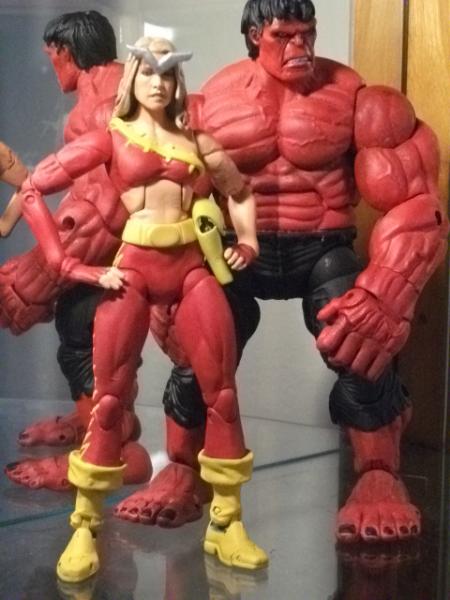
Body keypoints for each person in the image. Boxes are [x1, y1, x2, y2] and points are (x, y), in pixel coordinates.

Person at [116, 0, 448, 545]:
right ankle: (182, 467)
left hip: (322, 249)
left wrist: (389, 289)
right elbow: (156, 195)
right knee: (197, 350)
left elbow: (416, 203)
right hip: (234, 252)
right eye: (283, 36)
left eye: (307, 34)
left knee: (359, 341)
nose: (300, 47)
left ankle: (378, 473)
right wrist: (162, 280)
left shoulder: (355, 98)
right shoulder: (209, 102)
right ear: (254, 36)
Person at [19, 36, 266, 581]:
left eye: (168, 72)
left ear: (177, 80)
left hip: (191, 269)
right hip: (132, 267)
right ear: (133, 76)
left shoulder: (199, 141)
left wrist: (247, 241)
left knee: (222, 392)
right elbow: (34, 187)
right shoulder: (111, 137)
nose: (158, 82)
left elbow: (240, 190)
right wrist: (65, 264)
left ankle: (227, 522)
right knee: (108, 402)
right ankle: (85, 526)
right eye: (149, 71)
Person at [3, 11, 152, 490]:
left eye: (52, 57)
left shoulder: (107, 106)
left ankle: (112, 450)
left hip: (127, 256)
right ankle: (93, 421)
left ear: (65, 53)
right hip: (109, 254)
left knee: (87, 331)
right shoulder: (102, 99)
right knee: (83, 330)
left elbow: (107, 208)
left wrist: (44, 273)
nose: (53, 68)